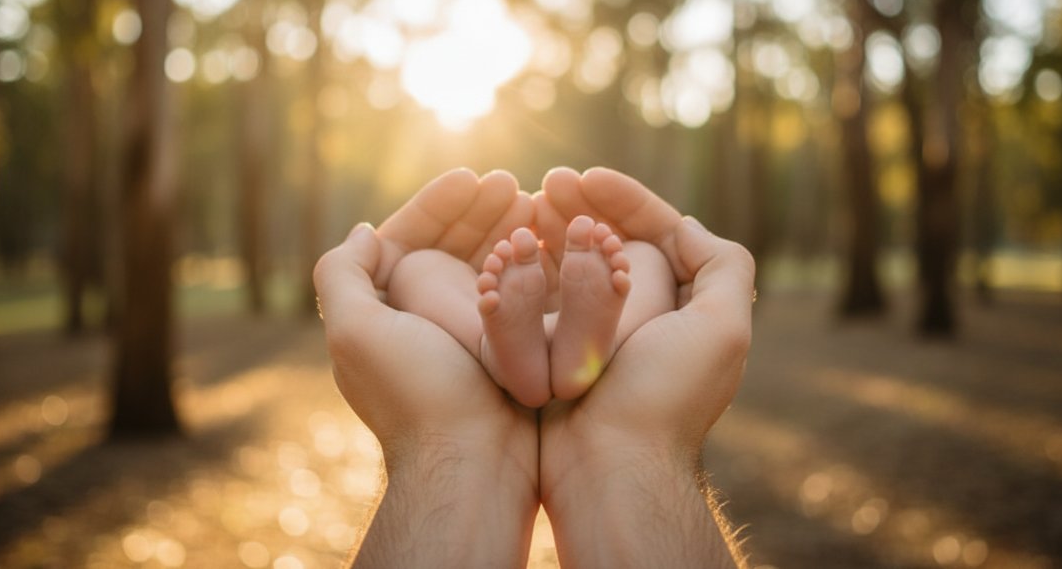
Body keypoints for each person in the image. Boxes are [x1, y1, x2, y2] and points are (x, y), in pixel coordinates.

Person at [314, 166, 756, 568]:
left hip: (480, 356)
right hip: (598, 358)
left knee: (415, 266)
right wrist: (636, 440)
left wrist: (450, 436)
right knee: (647, 256)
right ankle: (598, 346)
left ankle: (492, 348)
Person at [387, 214, 674, 408]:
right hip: (591, 332)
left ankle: (486, 345)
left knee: (418, 265)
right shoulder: (604, 217)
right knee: (647, 256)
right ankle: (605, 342)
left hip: (484, 293)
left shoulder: (468, 219)